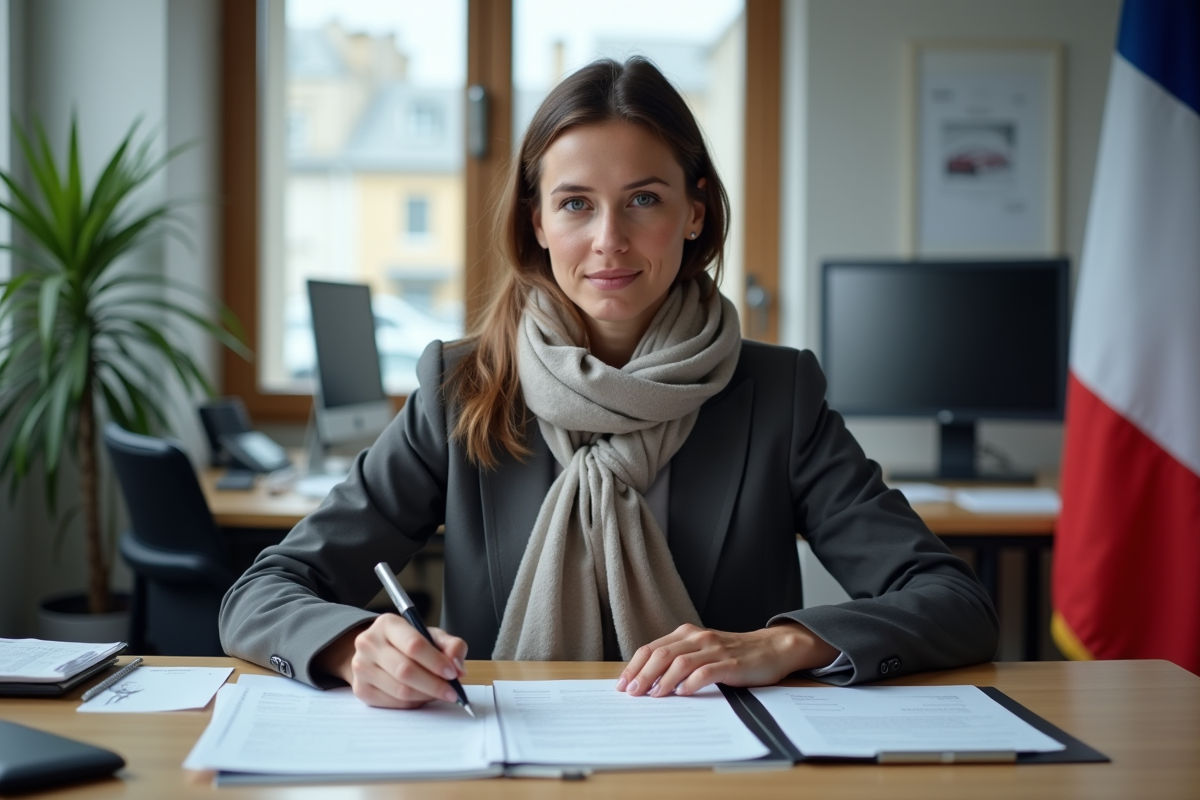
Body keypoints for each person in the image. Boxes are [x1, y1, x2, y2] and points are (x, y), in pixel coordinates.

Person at [220, 57, 998, 710]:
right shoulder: (461, 387)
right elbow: (263, 593)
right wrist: (356, 646)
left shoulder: (778, 392)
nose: (608, 241)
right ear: (536, 221)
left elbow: (953, 601)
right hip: (506, 768)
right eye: (575, 204)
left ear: (695, 212)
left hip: (719, 773)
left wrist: (784, 644)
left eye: (644, 200)